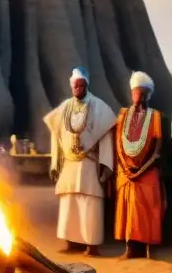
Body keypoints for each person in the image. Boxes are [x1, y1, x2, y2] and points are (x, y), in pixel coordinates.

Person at [44, 68, 117, 257]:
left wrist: (106, 166)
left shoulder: (99, 107)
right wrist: (54, 163)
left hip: (89, 163)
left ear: (87, 85)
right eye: (75, 85)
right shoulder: (65, 106)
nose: (78, 87)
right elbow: (56, 132)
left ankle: (92, 245)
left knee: (89, 205)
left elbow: (106, 137)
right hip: (69, 164)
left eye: (81, 84)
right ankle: (71, 243)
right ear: (71, 86)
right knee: (70, 205)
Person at [113, 71, 165, 259]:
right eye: (135, 93)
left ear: (147, 95)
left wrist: (141, 171)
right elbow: (118, 144)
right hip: (125, 171)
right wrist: (127, 169)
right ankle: (130, 248)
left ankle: (148, 248)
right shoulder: (123, 115)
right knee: (127, 209)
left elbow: (157, 150)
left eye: (142, 93)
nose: (138, 97)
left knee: (148, 207)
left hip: (147, 171)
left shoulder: (155, 116)